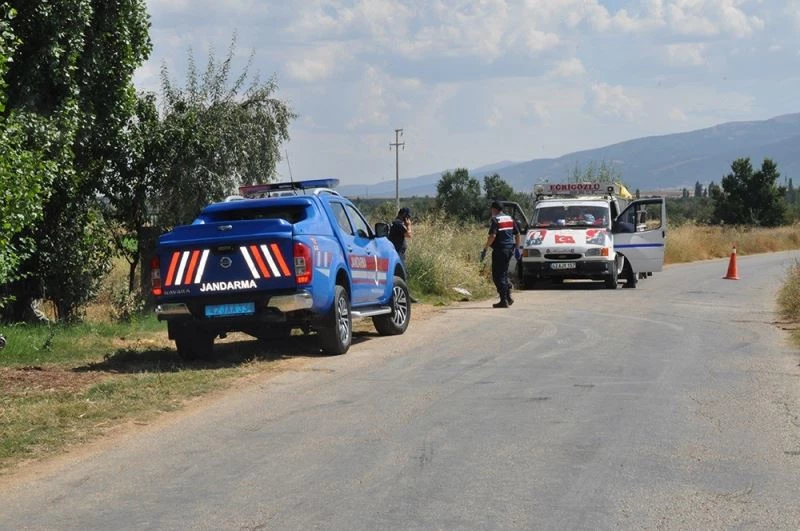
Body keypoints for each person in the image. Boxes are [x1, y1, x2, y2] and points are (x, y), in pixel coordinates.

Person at [481, 200, 522, 308]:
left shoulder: (496, 220)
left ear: (494, 209)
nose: (491, 211)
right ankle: (508, 297)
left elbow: (492, 236)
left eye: (491, 209)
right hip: (509, 250)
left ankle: (503, 300)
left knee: (497, 276)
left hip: (500, 250)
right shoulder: (509, 219)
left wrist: (485, 249)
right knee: (503, 274)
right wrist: (517, 248)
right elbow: (517, 234)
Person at [388, 207, 419, 303]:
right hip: (397, 253)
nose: (409, 219)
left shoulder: (397, 223)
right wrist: (409, 225)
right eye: (408, 216)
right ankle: (405, 297)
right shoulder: (397, 223)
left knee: (404, 273)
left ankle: (405, 295)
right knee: (403, 274)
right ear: (404, 215)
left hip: (399, 252)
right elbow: (409, 235)